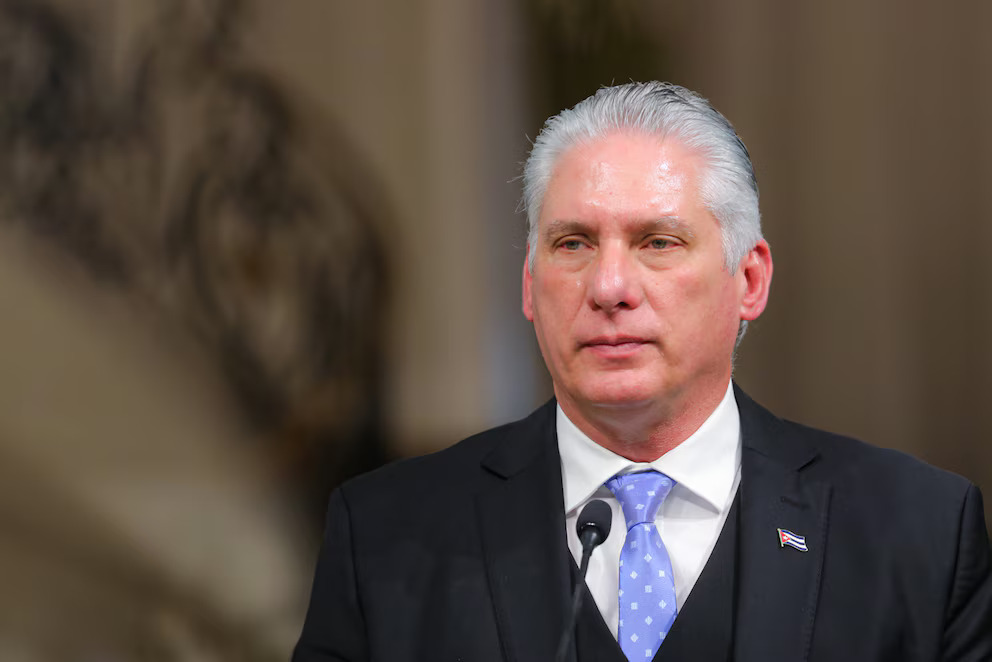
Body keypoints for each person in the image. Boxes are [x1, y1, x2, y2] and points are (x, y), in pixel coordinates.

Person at [292, 82, 992, 661]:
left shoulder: (918, 534)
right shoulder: (383, 535)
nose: (609, 287)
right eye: (573, 243)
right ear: (530, 286)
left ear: (749, 280)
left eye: (658, 241)